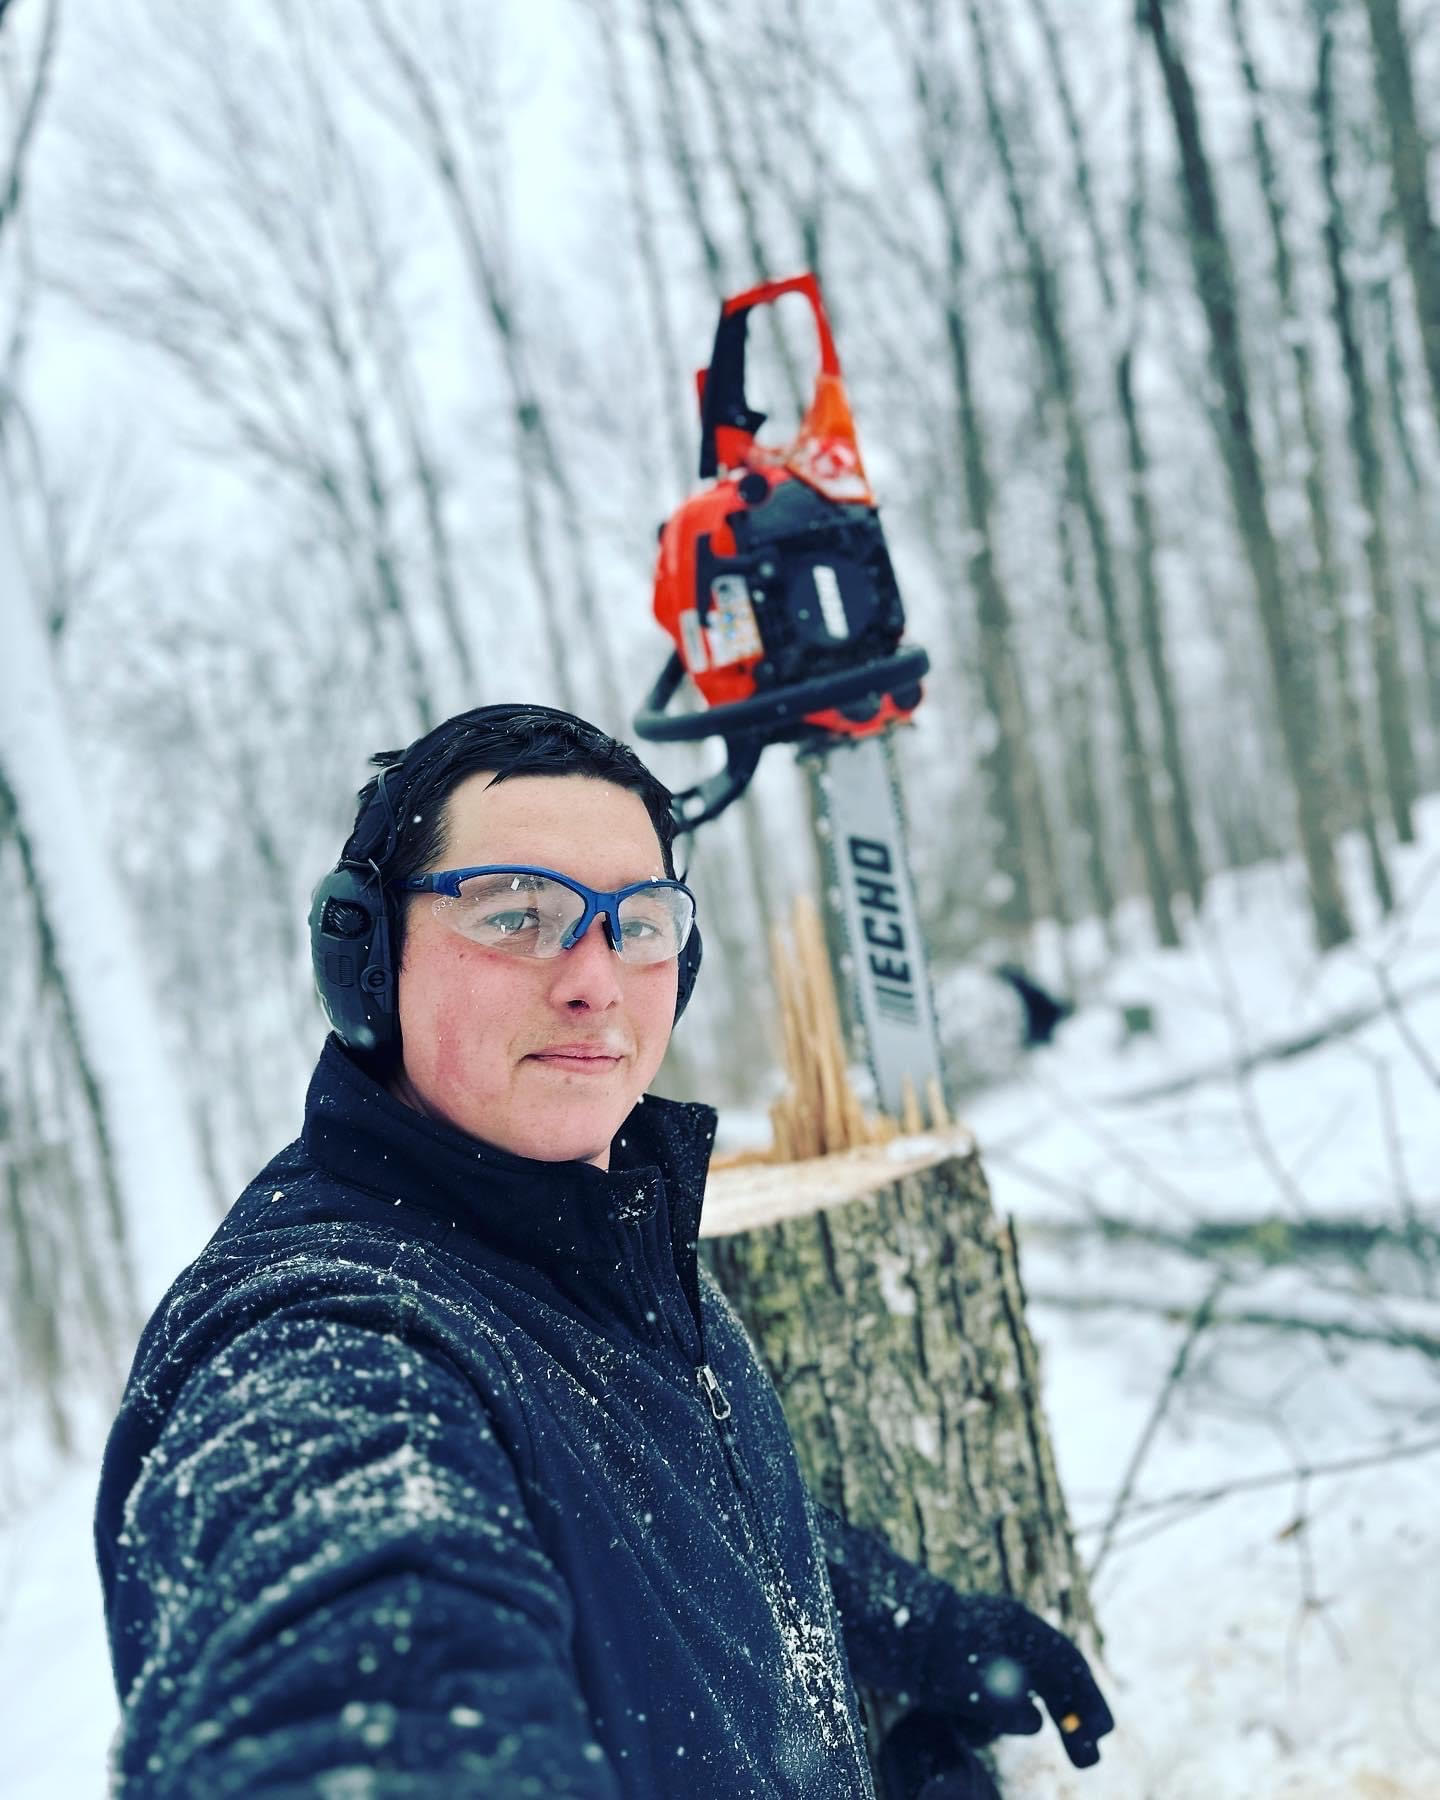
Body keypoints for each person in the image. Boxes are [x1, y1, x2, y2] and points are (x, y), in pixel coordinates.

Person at [94, 703, 1113, 1798]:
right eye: (517, 916)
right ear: (367, 958)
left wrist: (921, 1628)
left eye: (637, 924)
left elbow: (665, 1502)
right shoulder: (326, 1339)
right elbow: (355, 1661)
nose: (594, 980)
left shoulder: (600, 1227)